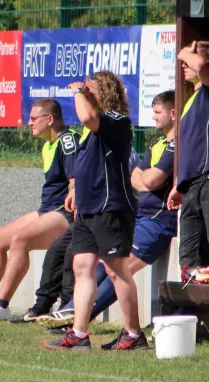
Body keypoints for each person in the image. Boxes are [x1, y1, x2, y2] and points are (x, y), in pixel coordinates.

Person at [37, 90, 178, 334]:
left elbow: (151, 180)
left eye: (157, 112)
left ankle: (107, 327)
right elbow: (135, 176)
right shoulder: (158, 144)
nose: (153, 117)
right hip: (140, 217)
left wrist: (146, 178)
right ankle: (73, 317)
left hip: (157, 221)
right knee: (92, 265)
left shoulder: (177, 144)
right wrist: (145, 178)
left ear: (173, 114)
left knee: (117, 270)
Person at [0, 98, 80, 322]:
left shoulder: (67, 140)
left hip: (65, 213)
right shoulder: (47, 145)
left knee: (20, 240)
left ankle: (1, 305)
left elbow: (75, 179)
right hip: (48, 209)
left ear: (49, 120)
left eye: (33, 119)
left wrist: (75, 196)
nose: (28, 123)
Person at [43, 70, 139, 351]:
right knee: (82, 266)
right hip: (88, 210)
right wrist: (74, 192)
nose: (84, 93)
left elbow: (87, 117)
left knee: (116, 270)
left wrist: (76, 91)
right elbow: (88, 167)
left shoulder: (116, 121)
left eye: (89, 89)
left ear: (103, 93)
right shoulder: (91, 131)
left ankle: (133, 334)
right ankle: (79, 334)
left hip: (110, 209)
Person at [11, 141, 140, 325]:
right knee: (57, 247)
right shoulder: (90, 146)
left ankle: (67, 308)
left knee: (78, 255)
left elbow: (113, 184)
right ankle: (42, 304)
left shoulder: (120, 150)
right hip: (88, 215)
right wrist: (75, 191)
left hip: (110, 215)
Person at [166, 40, 209, 280]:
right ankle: (197, 309)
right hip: (190, 185)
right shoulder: (190, 98)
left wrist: (184, 51)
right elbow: (189, 146)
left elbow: (208, 74)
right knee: (188, 258)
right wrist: (178, 184)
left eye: (189, 60)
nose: (183, 64)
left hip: (207, 180)